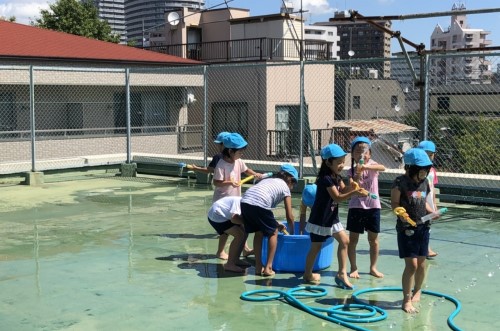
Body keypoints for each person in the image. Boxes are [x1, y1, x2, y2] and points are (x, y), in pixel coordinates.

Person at [303, 144, 367, 288]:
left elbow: (346, 189)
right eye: (339, 162)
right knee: (316, 247)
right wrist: (354, 193)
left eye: (343, 162)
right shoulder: (325, 179)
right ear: (328, 162)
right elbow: (338, 197)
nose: (341, 165)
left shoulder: (336, 177)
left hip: (331, 217)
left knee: (345, 241)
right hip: (320, 219)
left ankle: (341, 274)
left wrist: (356, 179)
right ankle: (307, 274)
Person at [391, 148, 441, 313]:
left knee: (421, 263)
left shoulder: (424, 182)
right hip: (407, 229)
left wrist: (431, 212)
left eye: (426, 170)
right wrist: (400, 213)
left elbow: (422, 202)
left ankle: (417, 290)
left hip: (423, 227)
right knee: (411, 265)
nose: (424, 173)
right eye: (421, 170)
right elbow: (395, 204)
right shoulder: (400, 182)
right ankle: (406, 300)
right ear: (410, 168)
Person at [240, 164, 298, 277]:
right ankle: (268, 267)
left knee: (259, 232)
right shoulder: (285, 188)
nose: (292, 187)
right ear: (290, 180)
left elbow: (263, 213)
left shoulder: (269, 181)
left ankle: (258, 267)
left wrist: (275, 223)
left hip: (245, 201)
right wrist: (292, 234)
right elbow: (289, 215)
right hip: (259, 203)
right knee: (274, 232)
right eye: (294, 185)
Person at [212, 132, 261, 259]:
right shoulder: (221, 165)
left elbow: (246, 170)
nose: (241, 154)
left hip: (235, 200)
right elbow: (216, 182)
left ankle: (245, 250)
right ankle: (220, 251)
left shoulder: (238, 161)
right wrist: (229, 182)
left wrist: (254, 173)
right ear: (230, 151)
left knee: (240, 226)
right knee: (225, 231)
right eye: (239, 152)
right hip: (222, 202)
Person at [347, 136, 386, 279]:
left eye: (364, 151)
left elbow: (382, 167)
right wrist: (358, 172)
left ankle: (373, 267)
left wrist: (366, 166)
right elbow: (353, 185)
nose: (361, 154)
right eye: (357, 151)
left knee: (373, 240)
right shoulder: (351, 170)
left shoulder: (373, 165)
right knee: (353, 239)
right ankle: (353, 267)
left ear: (369, 154)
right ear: (352, 154)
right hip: (356, 207)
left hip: (373, 207)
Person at [207, 196, 251, 273]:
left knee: (244, 231)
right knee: (239, 235)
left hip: (223, 213)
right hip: (217, 216)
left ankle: (235, 259)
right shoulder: (239, 202)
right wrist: (248, 222)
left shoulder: (246, 204)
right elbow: (234, 219)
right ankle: (230, 264)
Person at [417, 140, 439, 258]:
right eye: (426, 154)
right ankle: (424, 248)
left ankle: (425, 246)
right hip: (420, 199)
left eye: (431, 154)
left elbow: (433, 188)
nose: (429, 157)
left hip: (429, 199)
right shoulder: (416, 170)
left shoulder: (432, 170)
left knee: (428, 223)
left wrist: (434, 204)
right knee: (421, 222)